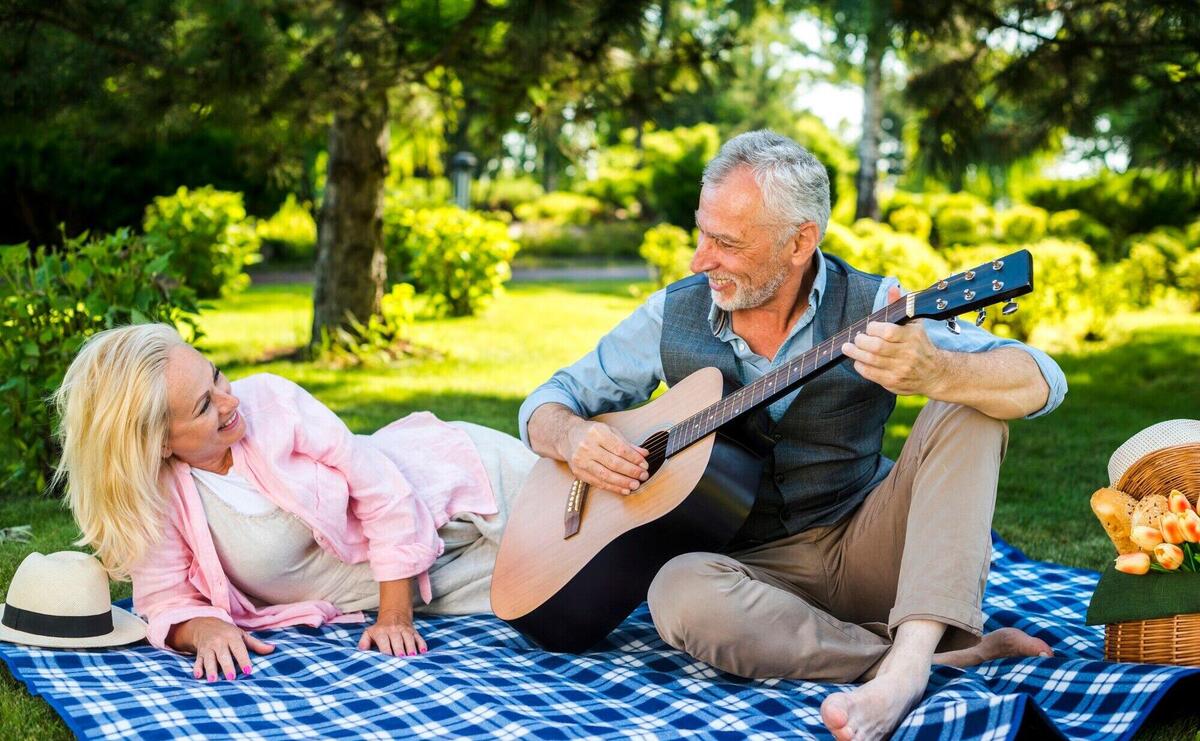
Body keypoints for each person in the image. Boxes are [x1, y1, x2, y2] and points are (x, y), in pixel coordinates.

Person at [519, 130, 1067, 741]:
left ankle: (906, 667)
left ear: (800, 241)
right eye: (701, 233)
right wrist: (571, 438)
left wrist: (939, 370)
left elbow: (1043, 379)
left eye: (725, 243)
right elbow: (547, 402)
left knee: (968, 403)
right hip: (751, 576)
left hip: (868, 545)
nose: (700, 260)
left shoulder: (880, 305)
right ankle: (928, 660)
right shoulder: (672, 313)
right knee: (676, 593)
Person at [53, 323, 534, 682]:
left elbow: (382, 490)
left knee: (598, 517)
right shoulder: (158, 500)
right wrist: (204, 631)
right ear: (158, 443)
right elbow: (163, 600)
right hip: (450, 581)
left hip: (464, 488)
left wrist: (394, 617)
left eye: (217, 376)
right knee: (572, 597)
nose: (229, 401)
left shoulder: (271, 402)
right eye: (203, 405)